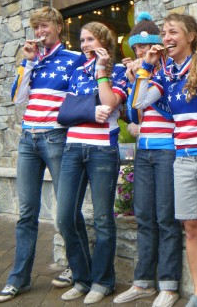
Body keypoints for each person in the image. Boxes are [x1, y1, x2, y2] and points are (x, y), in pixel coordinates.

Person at [130, 13, 197, 307]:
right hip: (182, 159)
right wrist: (147, 66)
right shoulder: (166, 74)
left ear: (191, 36)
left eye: (173, 32)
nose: (166, 38)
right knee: (191, 228)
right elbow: (138, 103)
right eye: (164, 33)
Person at [0, 6, 85, 303]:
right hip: (27, 140)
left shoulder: (74, 59)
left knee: (66, 210)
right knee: (27, 213)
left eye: (44, 25)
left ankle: (77, 267)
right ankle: (18, 279)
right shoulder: (32, 60)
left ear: (58, 26)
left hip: (57, 137)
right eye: (36, 27)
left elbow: (81, 98)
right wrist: (28, 63)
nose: (40, 32)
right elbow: (17, 97)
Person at [113, 12, 182, 307]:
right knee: (143, 216)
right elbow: (132, 113)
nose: (141, 53)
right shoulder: (139, 74)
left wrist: (148, 73)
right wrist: (135, 81)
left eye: (148, 47)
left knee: (166, 218)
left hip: (168, 149)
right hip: (144, 150)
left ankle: (168, 285)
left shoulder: (169, 72)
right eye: (138, 48)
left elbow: (169, 111)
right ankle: (142, 282)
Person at [56, 21, 128, 304]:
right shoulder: (75, 72)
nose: (84, 45)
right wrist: (89, 109)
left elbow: (110, 104)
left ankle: (103, 281)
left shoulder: (119, 71)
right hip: (73, 148)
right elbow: (64, 114)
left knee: (101, 219)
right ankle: (81, 277)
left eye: (90, 40)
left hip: (102, 151)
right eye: (82, 40)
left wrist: (101, 72)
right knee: (64, 217)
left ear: (104, 42)